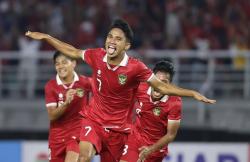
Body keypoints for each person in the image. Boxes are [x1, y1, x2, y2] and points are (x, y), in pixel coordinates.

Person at [26, 19, 215, 162]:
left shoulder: (136, 68)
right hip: (94, 121)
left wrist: (192, 93)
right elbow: (73, 51)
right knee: (83, 157)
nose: (112, 41)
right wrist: (47, 37)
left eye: (118, 38)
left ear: (127, 45)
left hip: (119, 131)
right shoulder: (97, 55)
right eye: (110, 36)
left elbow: (162, 86)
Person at [120, 60, 181, 162]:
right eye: (157, 81)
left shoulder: (174, 102)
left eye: (164, 82)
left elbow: (171, 135)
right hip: (135, 139)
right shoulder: (141, 88)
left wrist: (151, 149)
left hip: (156, 148)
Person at [44, 51, 92, 162]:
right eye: (57, 64)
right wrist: (66, 103)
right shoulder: (51, 86)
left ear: (74, 63)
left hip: (77, 133)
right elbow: (52, 116)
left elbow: (105, 89)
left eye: (64, 62)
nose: (60, 66)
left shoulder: (86, 82)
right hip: (57, 137)